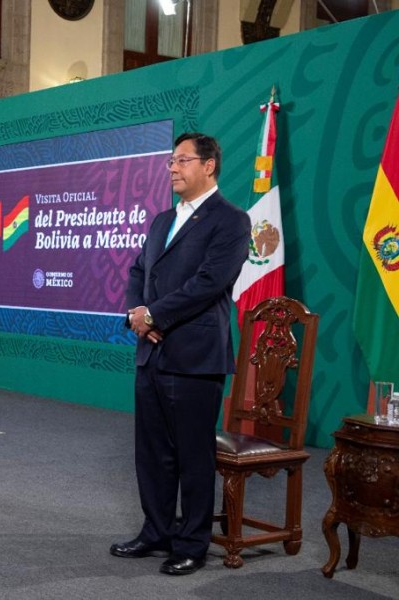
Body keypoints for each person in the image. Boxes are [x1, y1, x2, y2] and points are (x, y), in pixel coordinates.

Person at [110, 133, 250, 575]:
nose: (172, 168)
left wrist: (155, 316)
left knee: (192, 454)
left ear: (209, 166)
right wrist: (138, 313)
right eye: (171, 161)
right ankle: (156, 531)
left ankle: (191, 543)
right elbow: (138, 269)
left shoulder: (231, 220)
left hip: (195, 355)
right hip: (150, 354)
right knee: (151, 451)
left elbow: (210, 283)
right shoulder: (160, 220)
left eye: (182, 160)